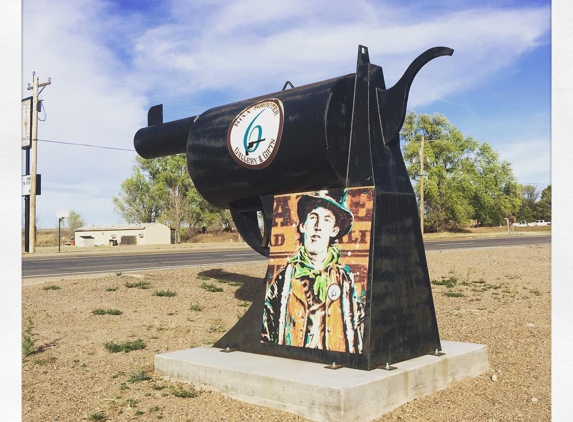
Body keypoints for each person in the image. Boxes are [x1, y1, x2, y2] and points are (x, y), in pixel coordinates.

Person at [261, 189, 364, 354]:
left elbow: (357, 328)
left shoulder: (343, 279)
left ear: (334, 230)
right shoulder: (285, 278)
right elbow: (267, 328)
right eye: (313, 218)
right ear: (303, 226)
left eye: (326, 219)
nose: (318, 227)